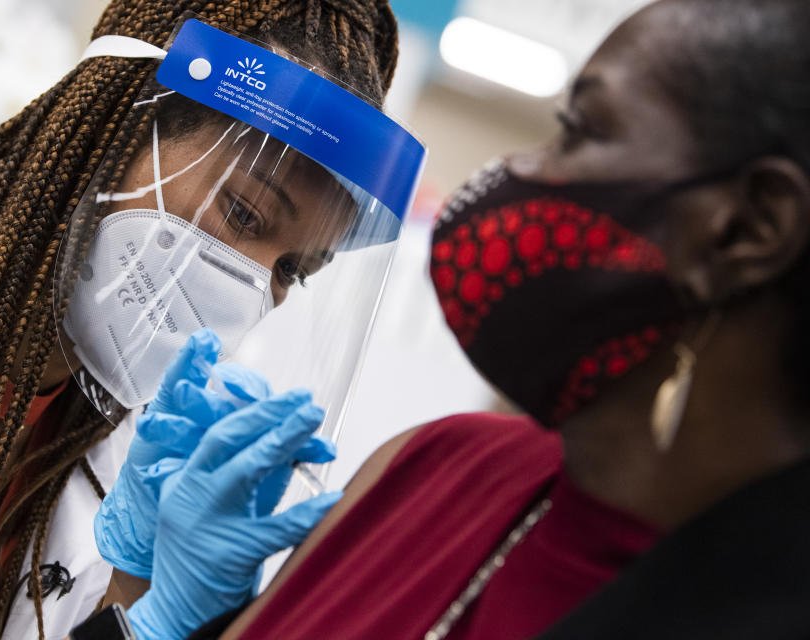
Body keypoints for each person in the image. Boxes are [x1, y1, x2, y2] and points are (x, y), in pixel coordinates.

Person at [97, 0, 810, 637]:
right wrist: (157, 617)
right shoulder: (433, 468)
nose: (512, 170)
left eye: (577, 129)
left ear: (746, 229)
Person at [0, 1, 406, 638]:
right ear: (117, 130)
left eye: (291, 269)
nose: (250, 287)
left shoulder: (125, 469)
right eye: (244, 216)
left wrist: (141, 603)